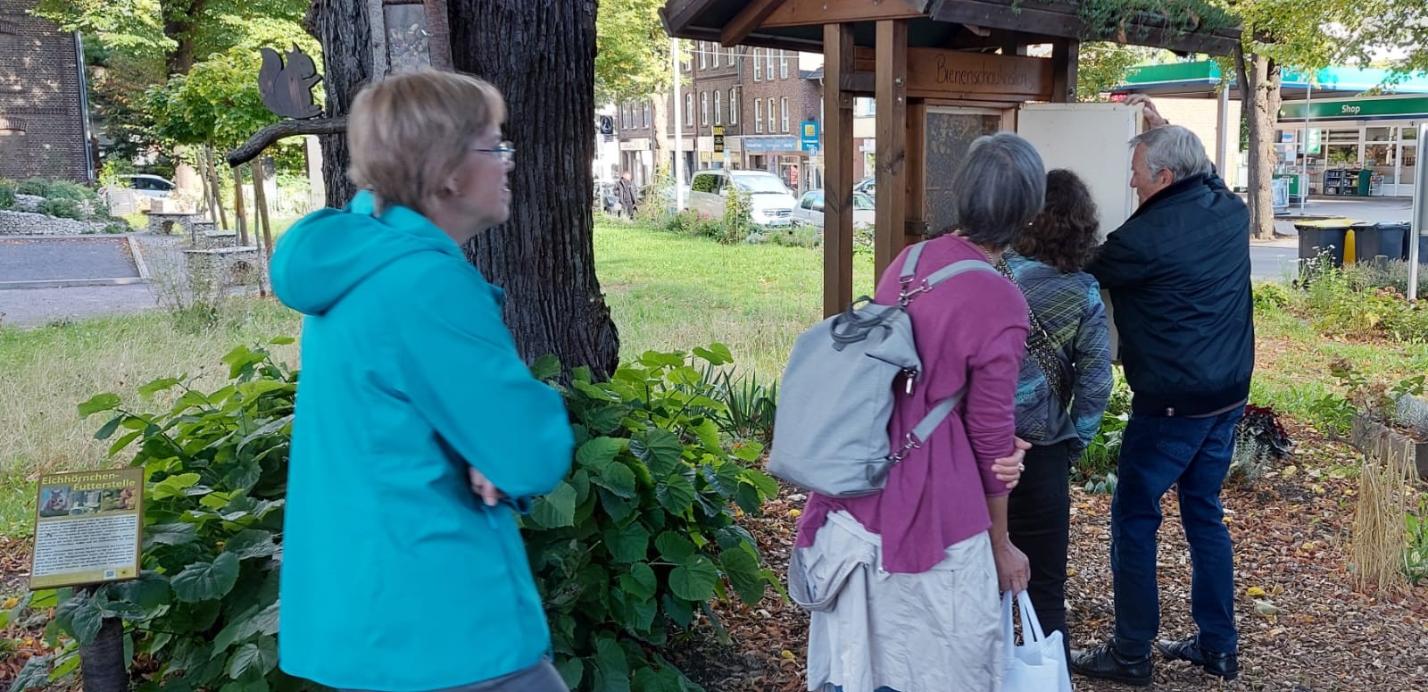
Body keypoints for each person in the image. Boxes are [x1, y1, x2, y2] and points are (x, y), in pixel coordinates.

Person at [271, 70, 574, 692]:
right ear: (446, 171)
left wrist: (483, 444)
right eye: (494, 145)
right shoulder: (424, 285)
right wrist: (492, 449)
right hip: (442, 619)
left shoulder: (356, 262)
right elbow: (527, 449)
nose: (509, 162)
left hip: (368, 613)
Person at [790, 133, 1042, 692]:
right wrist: (1001, 541)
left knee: (868, 657)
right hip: (935, 500)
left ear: (963, 193)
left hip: (862, 473)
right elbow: (989, 432)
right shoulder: (1001, 301)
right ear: (1028, 212)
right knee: (937, 659)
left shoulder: (911, 261)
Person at [1071, 98, 1253, 686]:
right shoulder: (1228, 210)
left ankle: (1130, 653)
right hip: (1227, 395)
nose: (1130, 180)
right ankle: (1218, 647)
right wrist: (1161, 131)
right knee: (1204, 513)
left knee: (1133, 515)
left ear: (1165, 178)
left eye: (1138, 171)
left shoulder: (1140, 241)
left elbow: (1082, 265)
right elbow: (1210, 173)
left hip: (1172, 402)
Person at [1002, 169, 1114, 661]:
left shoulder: (994, 272)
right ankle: (1050, 673)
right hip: (1043, 452)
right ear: (1080, 226)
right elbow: (1095, 382)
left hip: (979, 448)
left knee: (975, 579)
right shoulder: (1083, 292)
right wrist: (1077, 440)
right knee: (1045, 586)